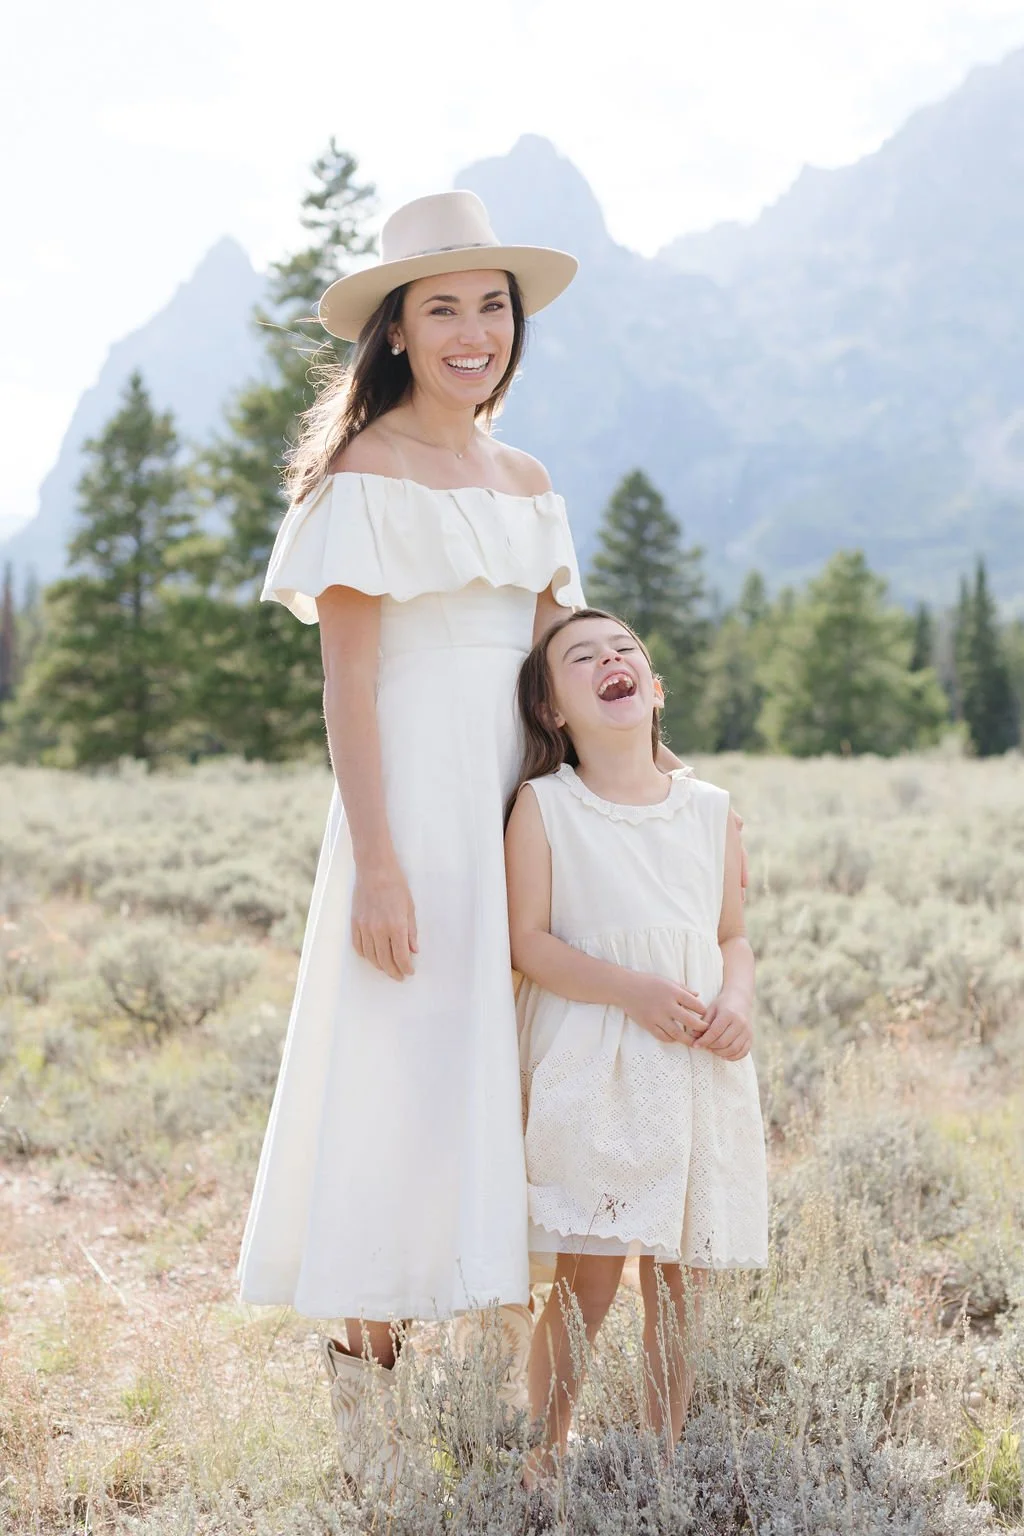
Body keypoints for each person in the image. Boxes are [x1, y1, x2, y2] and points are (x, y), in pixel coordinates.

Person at [236, 189, 584, 1485]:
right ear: (395, 330)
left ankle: (509, 1412)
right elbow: (350, 687)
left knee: (516, 1073)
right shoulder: (364, 476)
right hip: (415, 821)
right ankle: (370, 1431)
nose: (474, 329)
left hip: (519, 808)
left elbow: (562, 654)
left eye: (491, 305)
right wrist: (378, 864)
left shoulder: (529, 480)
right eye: (444, 307)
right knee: (398, 1072)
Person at [504, 608, 768, 1480]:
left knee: (682, 1278)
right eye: (582, 657)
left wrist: (736, 997)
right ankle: (544, 1449)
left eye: (627, 651)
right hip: (599, 1058)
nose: (610, 659)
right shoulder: (546, 808)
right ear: (552, 711)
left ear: (653, 689)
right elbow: (530, 943)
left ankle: (661, 1458)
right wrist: (632, 991)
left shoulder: (710, 810)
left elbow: (732, 934)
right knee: (592, 1269)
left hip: (694, 1057)